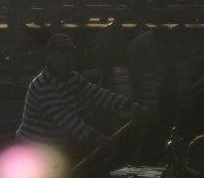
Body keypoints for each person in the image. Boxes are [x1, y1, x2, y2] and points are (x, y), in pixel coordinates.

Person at [17, 33, 148, 158]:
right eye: (64, 51)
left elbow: (98, 95)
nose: (69, 55)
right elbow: (67, 120)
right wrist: (97, 138)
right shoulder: (43, 86)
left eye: (71, 50)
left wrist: (131, 106)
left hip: (55, 149)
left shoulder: (72, 78)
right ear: (51, 54)